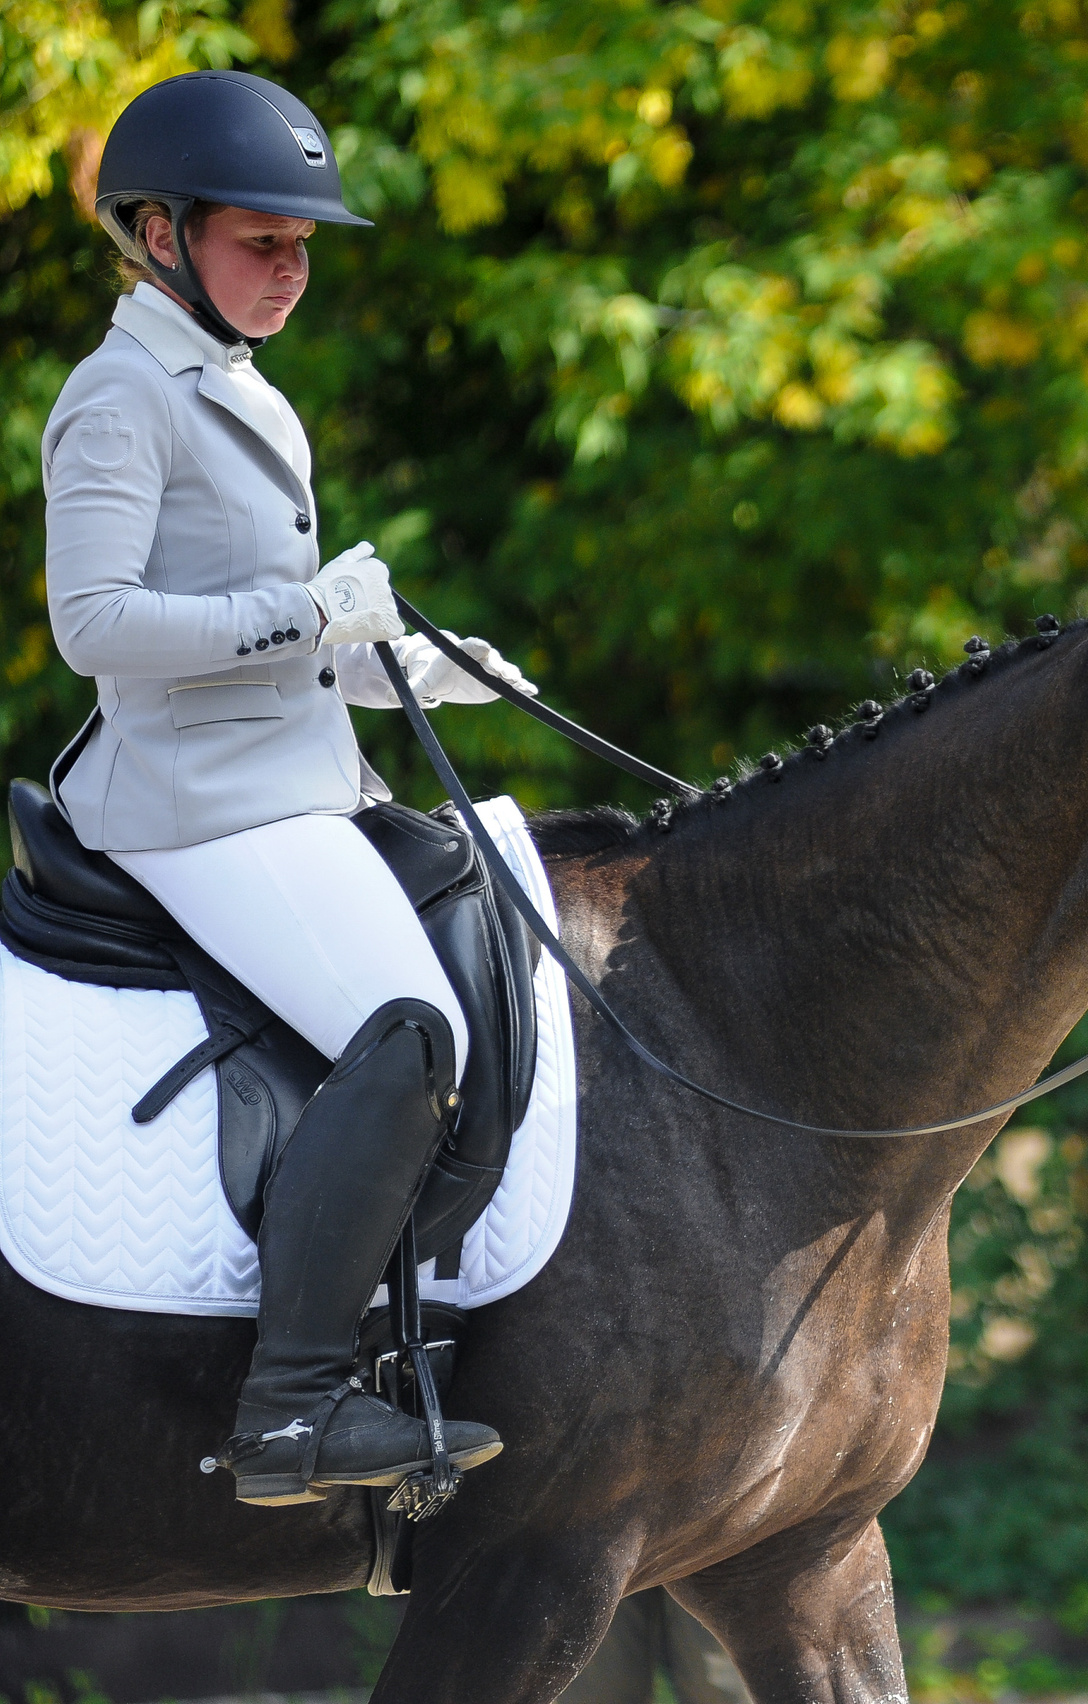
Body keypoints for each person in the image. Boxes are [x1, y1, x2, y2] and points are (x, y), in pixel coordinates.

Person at [42, 70, 528, 1506]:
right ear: (161, 235)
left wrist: (414, 666)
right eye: (263, 241)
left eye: (303, 244)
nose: (292, 268)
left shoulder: (240, 384)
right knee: (408, 1028)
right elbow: (97, 627)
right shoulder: (120, 397)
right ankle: (293, 1412)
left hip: (285, 775)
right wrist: (311, 614)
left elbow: (278, 646)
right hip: (191, 800)